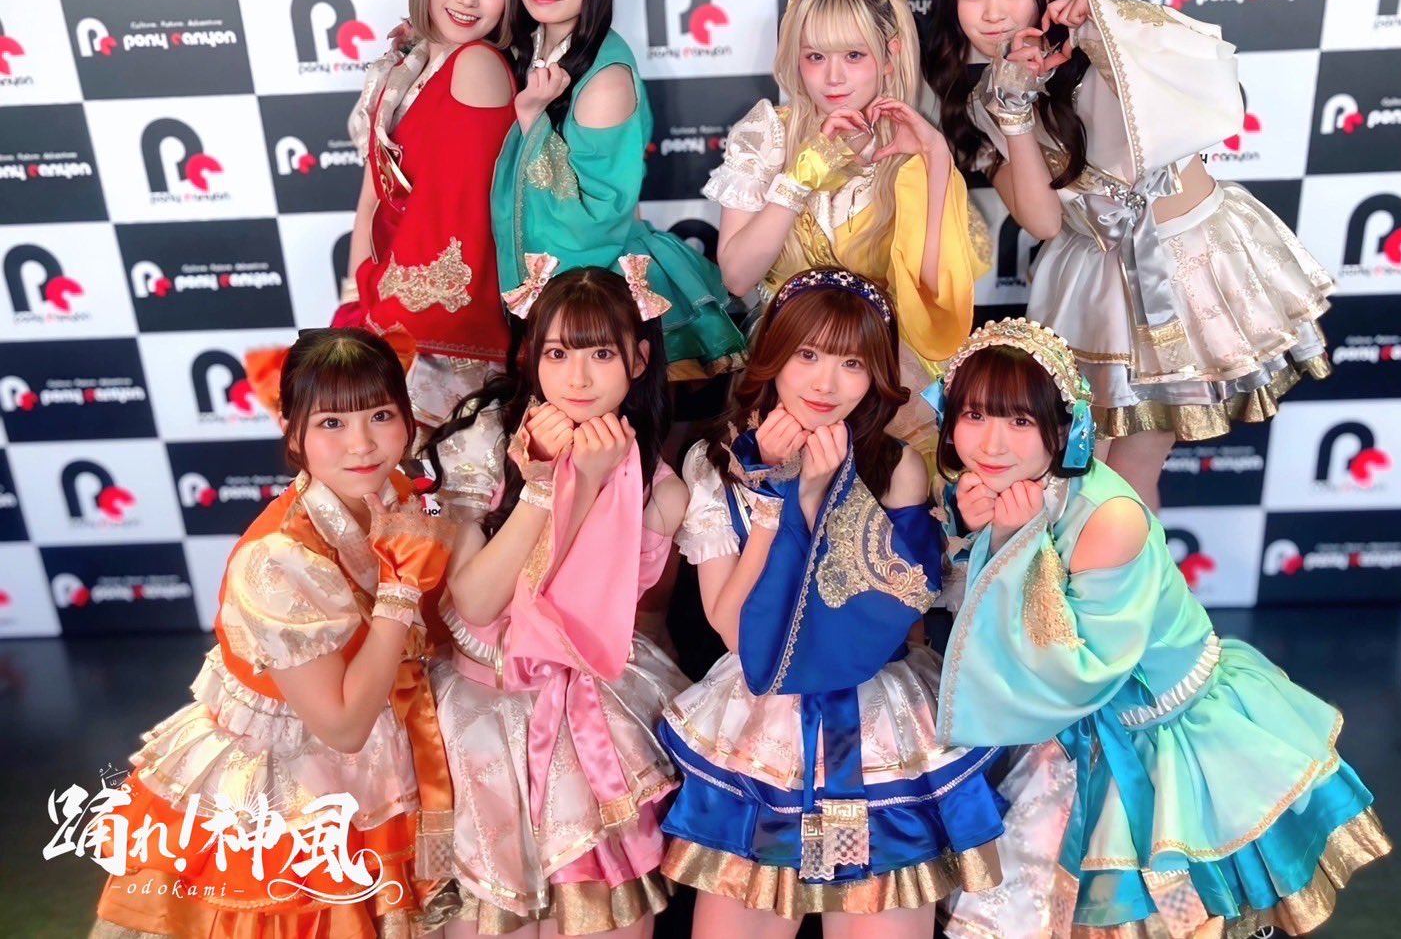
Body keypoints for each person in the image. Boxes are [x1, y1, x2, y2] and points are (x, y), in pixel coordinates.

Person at [934, 318, 1390, 937]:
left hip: (1157, 736)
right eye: (974, 416)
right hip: (1075, 731)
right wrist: (977, 531)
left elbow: (1079, 671)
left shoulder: (1110, 518)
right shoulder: (1000, 488)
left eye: (1019, 420)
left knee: (1174, 914)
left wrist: (1009, 542)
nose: (991, 443)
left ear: (1062, 428)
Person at [923, 0, 1334, 507]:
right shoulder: (986, 101)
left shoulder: (1111, 44)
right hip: (1093, 284)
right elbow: (1043, 220)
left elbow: (1213, 83)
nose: (992, 11)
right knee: (1081, 474)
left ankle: (1131, 573)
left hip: (1182, 268)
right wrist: (1013, 109)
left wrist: (1101, 22)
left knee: (1130, 476)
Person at [660, 268, 1007, 939]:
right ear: (774, 355)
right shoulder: (716, 461)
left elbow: (888, 623)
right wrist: (779, 502)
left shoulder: (896, 466)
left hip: (878, 721)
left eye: (851, 363)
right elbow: (732, 629)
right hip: (761, 722)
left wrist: (825, 496)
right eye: (808, 354)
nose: (826, 383)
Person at [90, 329, 457, 938]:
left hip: (388, 746)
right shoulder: (277, 560)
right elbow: (342, 728)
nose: (362, 443)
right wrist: (399, 591)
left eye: (381, 415)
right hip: (293, 778)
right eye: (332, 423)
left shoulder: (397, 493)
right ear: (293, 432)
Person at [421, 261, 690, 937]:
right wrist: (544, 484)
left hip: (588, 709)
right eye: (557, 353)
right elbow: (478, 601)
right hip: (479, 710)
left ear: (638, 359)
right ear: (531, 357)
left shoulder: (661, 489)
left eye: (601, 354)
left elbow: (578, 611)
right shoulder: (485, 440)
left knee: (599, 914)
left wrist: (592, 482)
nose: (577, 378)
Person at [707, 0, 988, 467]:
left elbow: (934, 299)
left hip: (883, 372)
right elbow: (738, 276)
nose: (833, 77)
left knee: (903, 491)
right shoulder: (769, 133)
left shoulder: (913, 146)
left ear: (890, 55)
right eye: (815, 57)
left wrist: (936, 160)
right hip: (787, 371)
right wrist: (800, 175)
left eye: (854, 55)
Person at [490, 0, 745, 381]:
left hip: (595, 300)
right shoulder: (534, 43)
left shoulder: (604, 80)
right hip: (550, 297)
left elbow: (594, 220)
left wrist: (533, 118)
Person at [338, 0, 520, 433]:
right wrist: (355, 298)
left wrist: (377, 316)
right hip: (390, 311)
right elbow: (374, 193)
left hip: (445, 338)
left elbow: (456, 221)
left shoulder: (476, 65)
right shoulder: (409, 64)